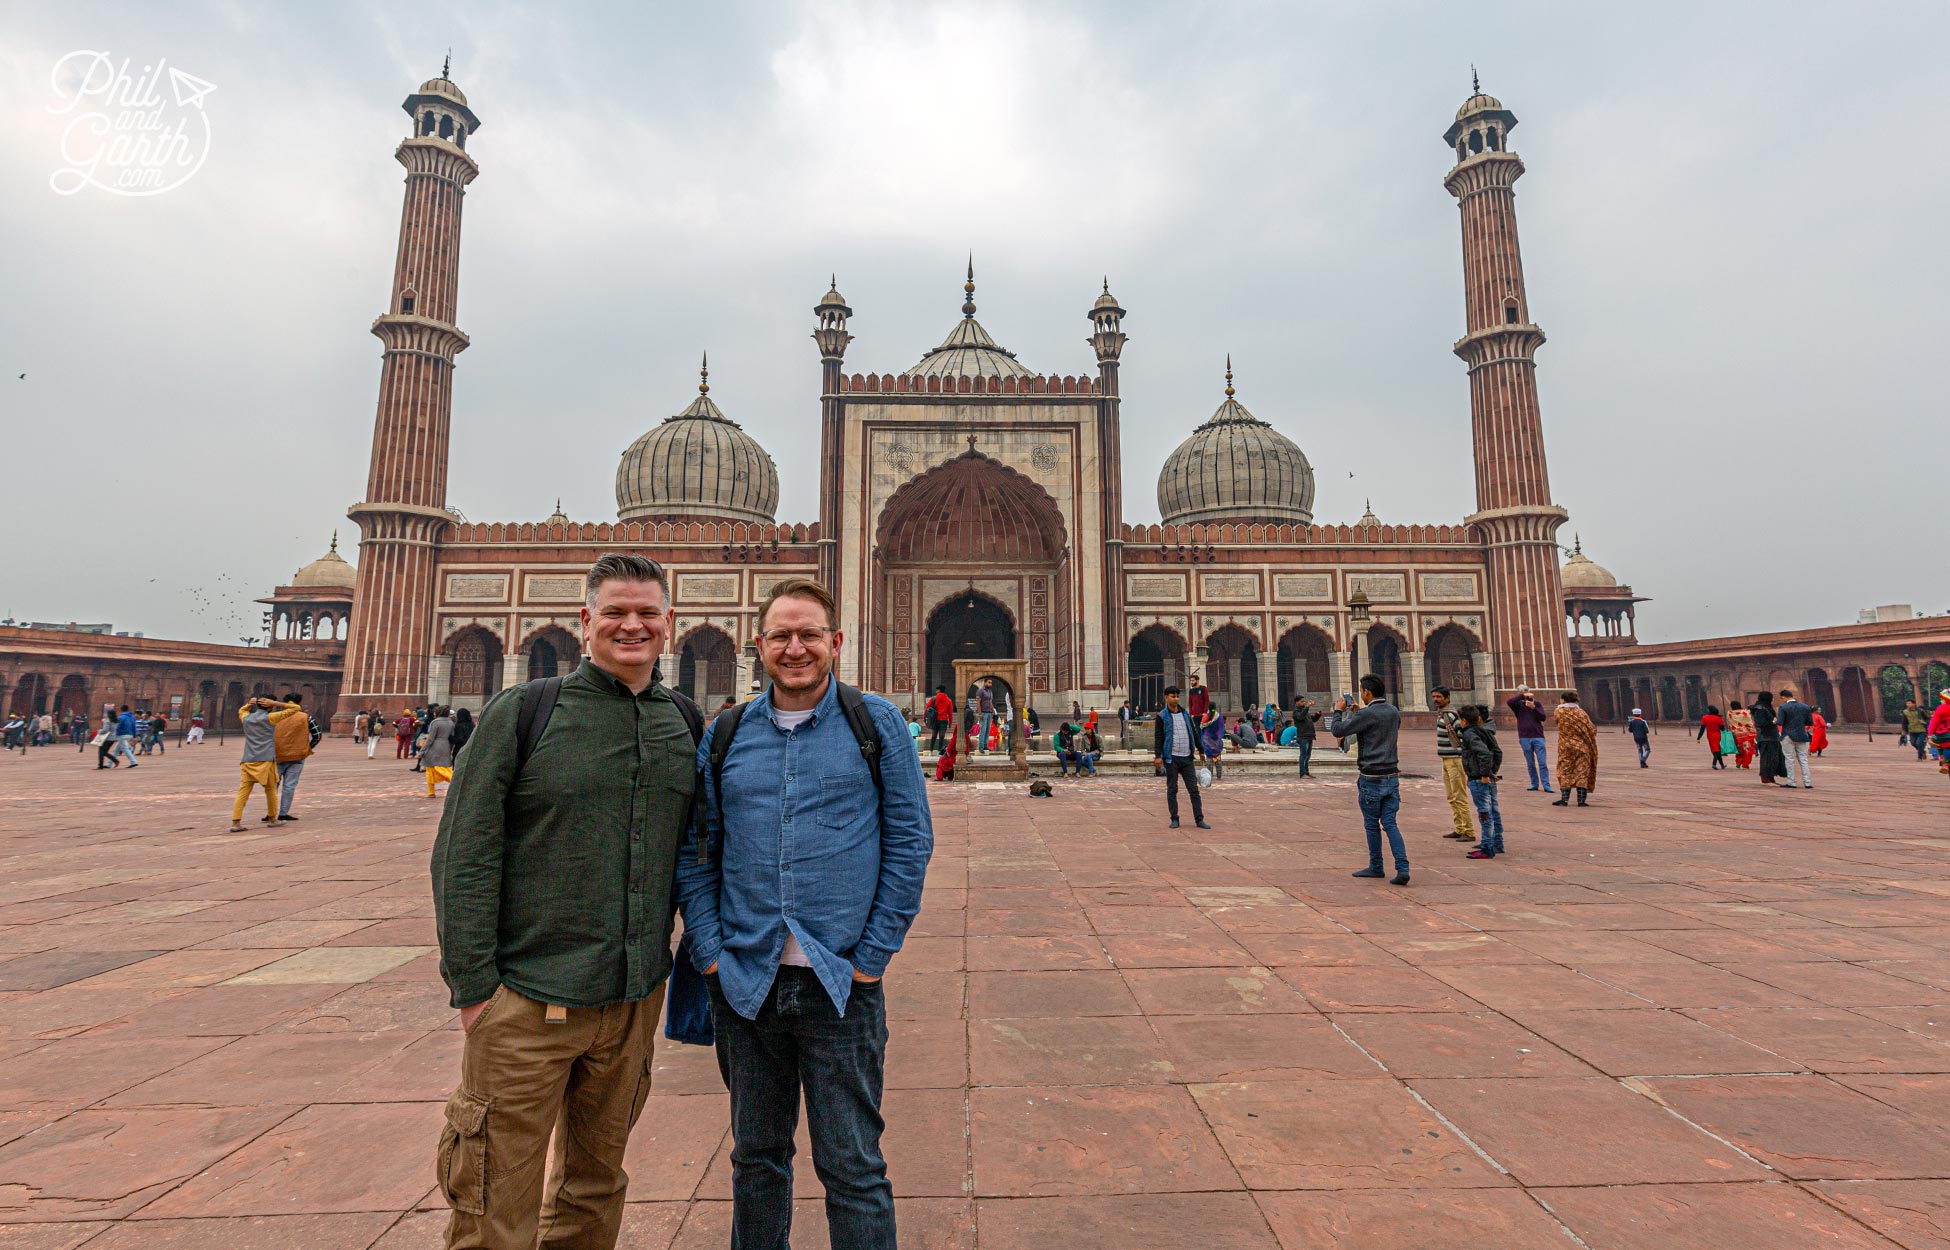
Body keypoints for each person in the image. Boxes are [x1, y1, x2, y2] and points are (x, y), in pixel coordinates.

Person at [431, 553, 703, 1248]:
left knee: (593, 1189)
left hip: (631, 999)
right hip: (527, 996)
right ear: (584, 622)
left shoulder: (685, 722)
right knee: (493, 1203)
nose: (631, 626)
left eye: (646, 614)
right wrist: (474, 990)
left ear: (670, 626)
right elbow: (464, 853)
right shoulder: (523, 711)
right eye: (615, 612)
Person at [678, 576, 933, 1250]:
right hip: (746, 981)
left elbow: (911, 844)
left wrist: (871, 961)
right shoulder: (727, 732)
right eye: (782, 635)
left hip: (840, 983)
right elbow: (697, 846)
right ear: (757, 645)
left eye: (809, 634)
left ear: (835, 643)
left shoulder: (874, 724)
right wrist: (709, 950)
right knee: (756, 1159)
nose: (796, 648)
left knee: (852, 1166)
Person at [1329, 675, 1408, 885]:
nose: (1362, 694)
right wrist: (1358, 713)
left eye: (1362, 691)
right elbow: (1378, 728)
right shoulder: (1393, 712)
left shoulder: (1367, 713)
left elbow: (1338, 730)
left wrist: (1338, 710)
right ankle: (1403, 867)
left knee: (1372, 824)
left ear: (1367, 692)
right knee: (1390, 823)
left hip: (1371, 776)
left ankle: (1376, 866)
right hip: (1391, 774)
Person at [229, 696, 298, 830]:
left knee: (243, 792)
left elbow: (241, 711)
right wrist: (277, 703)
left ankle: (235, 822)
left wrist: (249, 704)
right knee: (271, 790)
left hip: (248, 760)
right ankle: (272, 819)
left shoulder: (246, 718)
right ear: (270, 706)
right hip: (265, 760)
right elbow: (296, 708)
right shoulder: (270, 718)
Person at [1153, 685, 1208, 830]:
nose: (1176, 699)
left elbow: (1194, 733)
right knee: (1172, 790)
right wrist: (1158, 756)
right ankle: (1174, 818)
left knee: (1194, 790)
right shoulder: (1162, 717)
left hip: (1187, 757)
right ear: (1166, 698)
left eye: (1177, 696)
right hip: (1172, 758)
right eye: (1172, 696)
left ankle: (1199, 819)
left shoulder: (1185, 714)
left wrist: (1201, 750)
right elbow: (1158, 737)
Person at [1459, 704, 1504, 859]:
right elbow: (1497, 752)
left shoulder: (1469, 734)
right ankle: (1496, 843)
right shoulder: (1484, 731)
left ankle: (1487, 847)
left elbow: (1484, 753)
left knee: (1484, 813)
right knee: (1494, 810)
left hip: (1479, 779)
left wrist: (1485, 774)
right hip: (1485, 777)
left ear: (1463, 720)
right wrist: (1493, 772)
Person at [1432, 687, 1476, 843]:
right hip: (1446, 760)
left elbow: (1463, 736)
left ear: (1447, 698)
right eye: (1434, 697)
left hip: (1455, 760)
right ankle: (1459, 828)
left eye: (1439, 697)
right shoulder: (1442, 714)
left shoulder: (1450, 715)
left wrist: (1462, 755)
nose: (1436, 699)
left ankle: (1469, 831)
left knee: (1459, 796)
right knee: (1452, 796)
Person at [273, 693, 318, 822]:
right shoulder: (306, 717)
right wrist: (307, 748)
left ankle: (270, 813)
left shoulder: (275, 717)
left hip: (277, 755)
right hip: (297, 756)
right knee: (289, 786)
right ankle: (283, 813)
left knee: (273, 785)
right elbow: (317, 735)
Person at [1550, 692, 1597, 807]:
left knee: (1565, 771)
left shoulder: (1559, 711)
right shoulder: (1581, 713)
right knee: (1582, 772)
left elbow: (1557, 722)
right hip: (1582, 747)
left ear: (1563, 700)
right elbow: (1592, 729)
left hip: (1565, 747)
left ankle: (1564, 800)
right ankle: (1581, 801)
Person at [1505, 686, 1553, 793]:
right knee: (1530, 763)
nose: (1527, 696)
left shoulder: (1537, 704)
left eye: (1527, 693)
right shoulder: (1518, 706)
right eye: (1523, 694)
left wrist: (1534, 708)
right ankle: (1534, 783)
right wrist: (1522, 696)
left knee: (1542, 763)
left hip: (1538, 736)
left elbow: (1543, 717)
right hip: (1524, 737)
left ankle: (1546, 784)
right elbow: (1509, 701)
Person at [1775, 688, 1815, 789]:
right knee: (1803, 759)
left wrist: (1774, 721)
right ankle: (1807, 782)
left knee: (1789, 759)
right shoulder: (1805, 707)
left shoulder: (1783, 707)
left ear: (1784, 697)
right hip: (1801, 734)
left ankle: (1792, 782)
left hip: (1788, 735)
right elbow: (1810, 722)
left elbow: (1780, 722)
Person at [1752, 691, 1788, 786]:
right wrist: (1773, 721)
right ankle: (1765, 778)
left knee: (1774, 758)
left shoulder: (1765, 708)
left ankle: (1771, 777)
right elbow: (1761, 723)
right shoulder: (1760, 709)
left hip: (1772, 736)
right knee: (1767, 758)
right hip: (1765, 736)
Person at [421, 705, 456, 798]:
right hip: (445, 745)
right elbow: (452, 736)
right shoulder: (451, 722)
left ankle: (431, 792)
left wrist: (422, 751)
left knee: (430, 768)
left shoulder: (435, 722)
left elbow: (430, 738)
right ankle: (454, 781)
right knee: (444, 766)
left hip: (434, 746)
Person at [1290, 696, 1318, 777]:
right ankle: (1302, 773)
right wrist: (1307, 707)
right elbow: (1300, 716)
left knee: (1308, 755)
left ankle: (1306, 772)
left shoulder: (1305, 711)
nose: (1303, 703)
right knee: (1303, 754)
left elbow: (1313, 719)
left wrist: (1317, 715)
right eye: (1301, 701)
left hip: (1309, 735)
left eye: (1303, 701)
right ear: (1296, 702)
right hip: (1303, 736)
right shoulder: (1296, 712)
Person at [1199, 705, 1226, 781]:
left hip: (1207, 739)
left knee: (1209, 757)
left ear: (1208, 708)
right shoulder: (1219, 716)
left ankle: (1209, 776)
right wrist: (1219, 737)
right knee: (1218, 757)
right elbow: (1221, 728)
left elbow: (1202, 728)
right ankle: (1219, 776)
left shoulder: (1205, 716)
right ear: (1215, 707)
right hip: (1216, 739)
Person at [1728, 700, 1757, 769]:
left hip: (1737, 734)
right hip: (1747, 734)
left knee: (1739, 749)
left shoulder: (1729, 713)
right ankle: (1745, 764)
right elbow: (1749, 721)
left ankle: (1738, 761)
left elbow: (1730, 723)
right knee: (1747, 749)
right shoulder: (1744, 712)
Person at [1928, 687, 1950, 775]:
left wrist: (1930, 734)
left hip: (1943, 733)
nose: (1941, 701)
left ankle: (1944, 760)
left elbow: (1934, 722)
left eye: (1942, 699)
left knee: (1940, 742)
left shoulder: (1941, 708)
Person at [1698, 705, 1727, 769]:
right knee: (1717, 749)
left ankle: (1721, 765)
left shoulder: (1705, 718)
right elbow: (1722, 729)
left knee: (1715, 750)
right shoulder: (1719, 718)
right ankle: (1715, 764)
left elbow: (1702, 729)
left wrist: (1699, 737)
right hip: (1717, 735)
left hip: (1709, 735)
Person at [926, 685, 952, 755]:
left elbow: (927, 708)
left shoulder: (933, 698)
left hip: (935, 719)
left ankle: (930, 751)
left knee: (933, 735)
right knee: (941, 736)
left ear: (938, 690)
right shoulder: (948, 700)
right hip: (943, 720)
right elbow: (950, 713)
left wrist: (925, 718)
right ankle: (939, 752)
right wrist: (950, 723)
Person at [975, 678, 996, 754]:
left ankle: (985, 745)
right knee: (983, 730)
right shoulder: (980, 691)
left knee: (987, 730)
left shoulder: (990, 691)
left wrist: (993, 710)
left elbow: (990, 701)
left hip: (989, 712)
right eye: (989, 682)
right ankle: (980, 747)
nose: (990, 684)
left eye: (991, 683)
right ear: (985, 682)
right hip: (983, 712)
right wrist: (980, 713)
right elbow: (978, 702)